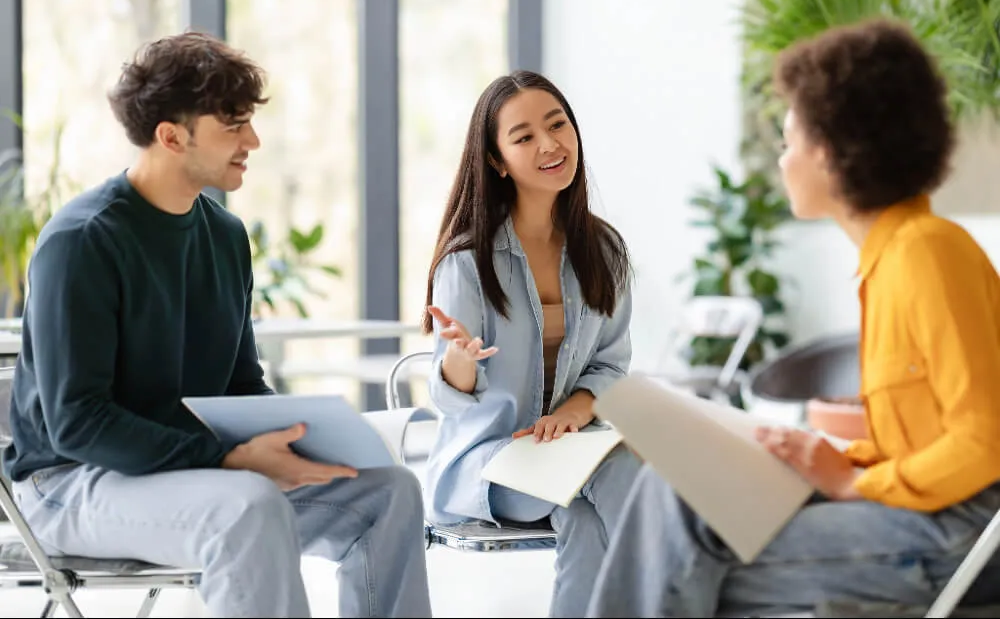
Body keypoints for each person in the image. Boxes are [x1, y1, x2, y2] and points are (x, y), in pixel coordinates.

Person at [1, 32, 432, 619]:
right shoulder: (83, 242)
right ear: (171, 136)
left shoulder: (224, 237)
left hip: (188, 471)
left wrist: (299, 438)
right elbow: (76, 424)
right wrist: (228, 460)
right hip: (66, 485)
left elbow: (239, 386)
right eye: (232, 126)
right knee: (248, 506)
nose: (252, 141)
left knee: (391, 491)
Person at [585, 17, 1000, 618]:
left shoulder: (926, 253)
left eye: (788, 142)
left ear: (829, 156)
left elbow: (985, 441)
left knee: (680, 560)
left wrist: (856, 484)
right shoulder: (892, 259)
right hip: (927, 513)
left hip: (959, 532)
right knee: (669, 494)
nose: (782, 161)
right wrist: (825, 459)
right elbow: (927, 439)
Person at [421, 69, 642, 618]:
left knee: (587, 514)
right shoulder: (467, 260)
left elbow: (611, 365)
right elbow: (451, 402)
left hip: (568, 454)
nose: (549, 144)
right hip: (489, 463)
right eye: (523, 137)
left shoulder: (605, 250)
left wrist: (571, 411)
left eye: (557, 124)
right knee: (618, 471)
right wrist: (459, 360)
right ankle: (693, 589)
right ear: (497, 160)